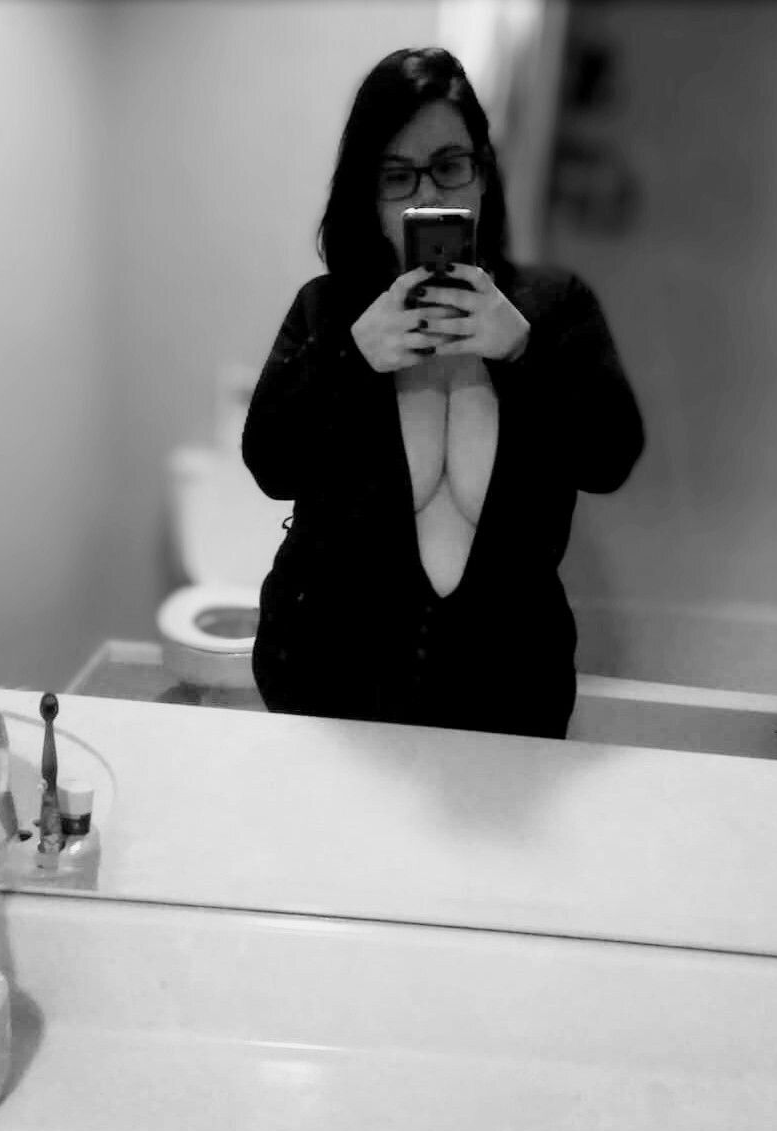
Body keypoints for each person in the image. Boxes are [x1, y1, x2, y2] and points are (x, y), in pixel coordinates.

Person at [242, 47, 644, 739]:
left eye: (450, 166)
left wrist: (523, 352)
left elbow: (610, 457)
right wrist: (351, 358)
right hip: (326, 678)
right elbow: (271, 465)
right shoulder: (327, 311)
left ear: (483, 175)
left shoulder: (552, 308)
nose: (427, 197)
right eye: (397, 176)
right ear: (369, 198)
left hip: (506, 688)